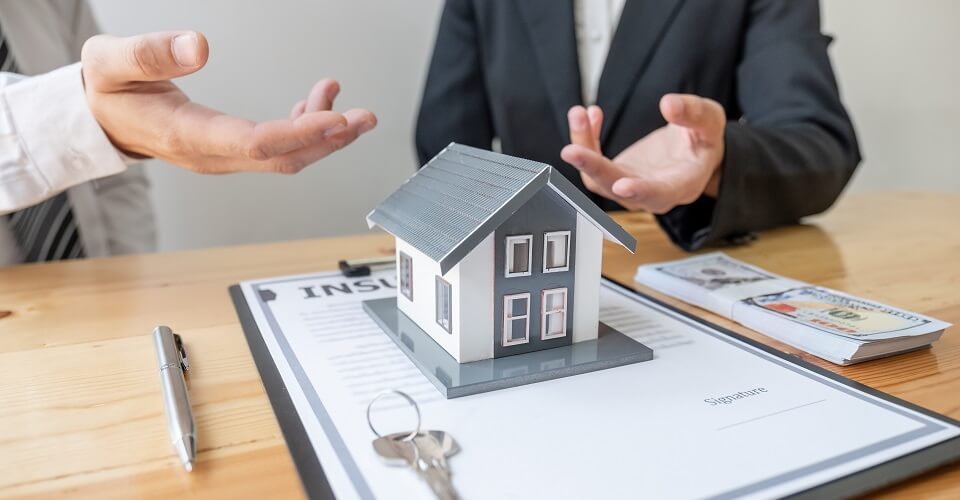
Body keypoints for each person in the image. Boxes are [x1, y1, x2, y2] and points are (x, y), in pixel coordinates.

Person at [415, 0, 860, 250]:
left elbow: (821, 147)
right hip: (521, 266)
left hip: (679, 269)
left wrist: (718, 161)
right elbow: (445, 143)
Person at [0, 1, 376, 265]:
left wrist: (119, 277)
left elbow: (115, 175)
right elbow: (96, 107)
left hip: (98, 290)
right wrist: (85, 118)